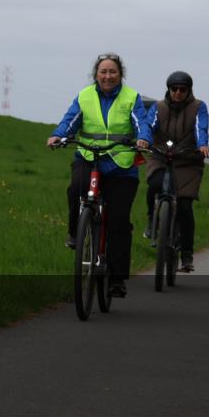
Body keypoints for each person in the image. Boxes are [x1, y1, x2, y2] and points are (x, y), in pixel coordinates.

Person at [47, 53, 151, 298]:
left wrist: (143, 137)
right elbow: (70, 121)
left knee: (118, 220)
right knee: (76, 189)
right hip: (89, 156)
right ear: (96, 74)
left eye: (112, 72)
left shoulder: (131, 97)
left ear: (120, 74)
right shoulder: (84, 96)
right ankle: (75, 233)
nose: (108, 76)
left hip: (121, 163)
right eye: (103, 72)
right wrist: (57, 135)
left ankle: (116, 279)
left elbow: (141, 122)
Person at [142, 71, 209, 273]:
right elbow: (148, 125)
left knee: (184, 205)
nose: (178, 93)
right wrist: (144, 139)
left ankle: (187, 255)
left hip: (188, 160)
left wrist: (202, 144)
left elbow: (201, 127)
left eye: (183, 89)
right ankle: (151, 222)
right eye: (174, 89)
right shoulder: (158, 107)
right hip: (161, 157)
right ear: (169, 89)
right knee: (154, 185)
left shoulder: (199, 107)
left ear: (189, 90)